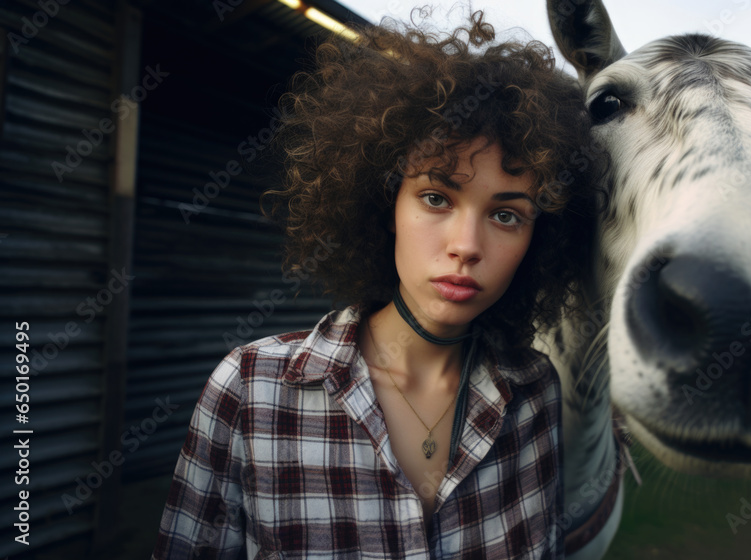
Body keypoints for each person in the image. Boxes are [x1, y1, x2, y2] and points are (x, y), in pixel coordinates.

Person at [152, 9, 599, 559]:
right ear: (386, 204)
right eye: (436, 198)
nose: (467, 245)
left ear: (541, 237)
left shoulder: (534, 392)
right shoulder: (250, 389)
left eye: (507, 215)